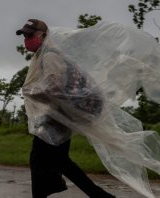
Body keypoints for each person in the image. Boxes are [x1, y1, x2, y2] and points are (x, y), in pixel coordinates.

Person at [16, 19, 115, 198]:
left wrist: (31, 91)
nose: (26, 39)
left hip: (59, 115)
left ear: (44, 35)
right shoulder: (45, 54)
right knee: (58, 161)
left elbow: (54, 88)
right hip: (60, 114)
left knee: (39, 160)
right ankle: (100, 196)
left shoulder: (50, 55)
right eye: (24, 35)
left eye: (30, 35)